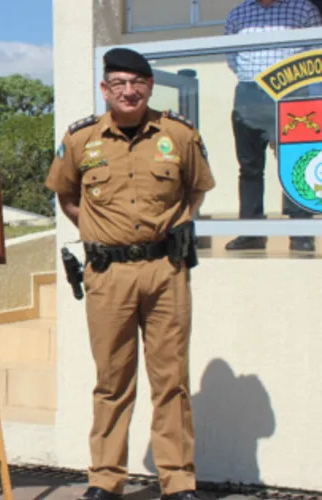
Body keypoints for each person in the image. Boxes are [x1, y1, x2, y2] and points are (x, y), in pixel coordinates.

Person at [46, 47, 216, 500]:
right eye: (119, 83)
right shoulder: (81, 138)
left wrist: (176, 226)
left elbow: (196, 189)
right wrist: (99, 230)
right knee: (112, 381)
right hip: (108, 274)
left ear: (150, 87)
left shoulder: (178, 134)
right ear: (105, 89)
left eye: (137, 82)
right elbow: (66, 196)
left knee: (171, 380)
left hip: (166, 269)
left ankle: (177, 481)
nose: (129, 91)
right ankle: (105, 479)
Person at [224, 0, 322, 251]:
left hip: (292, 96)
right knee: (249, 167)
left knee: (295, 164)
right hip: (249, 97)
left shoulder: (303, 9)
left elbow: (316, 52)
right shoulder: (238, 14)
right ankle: (251, 232)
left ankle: (301, 232)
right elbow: (232, 57)